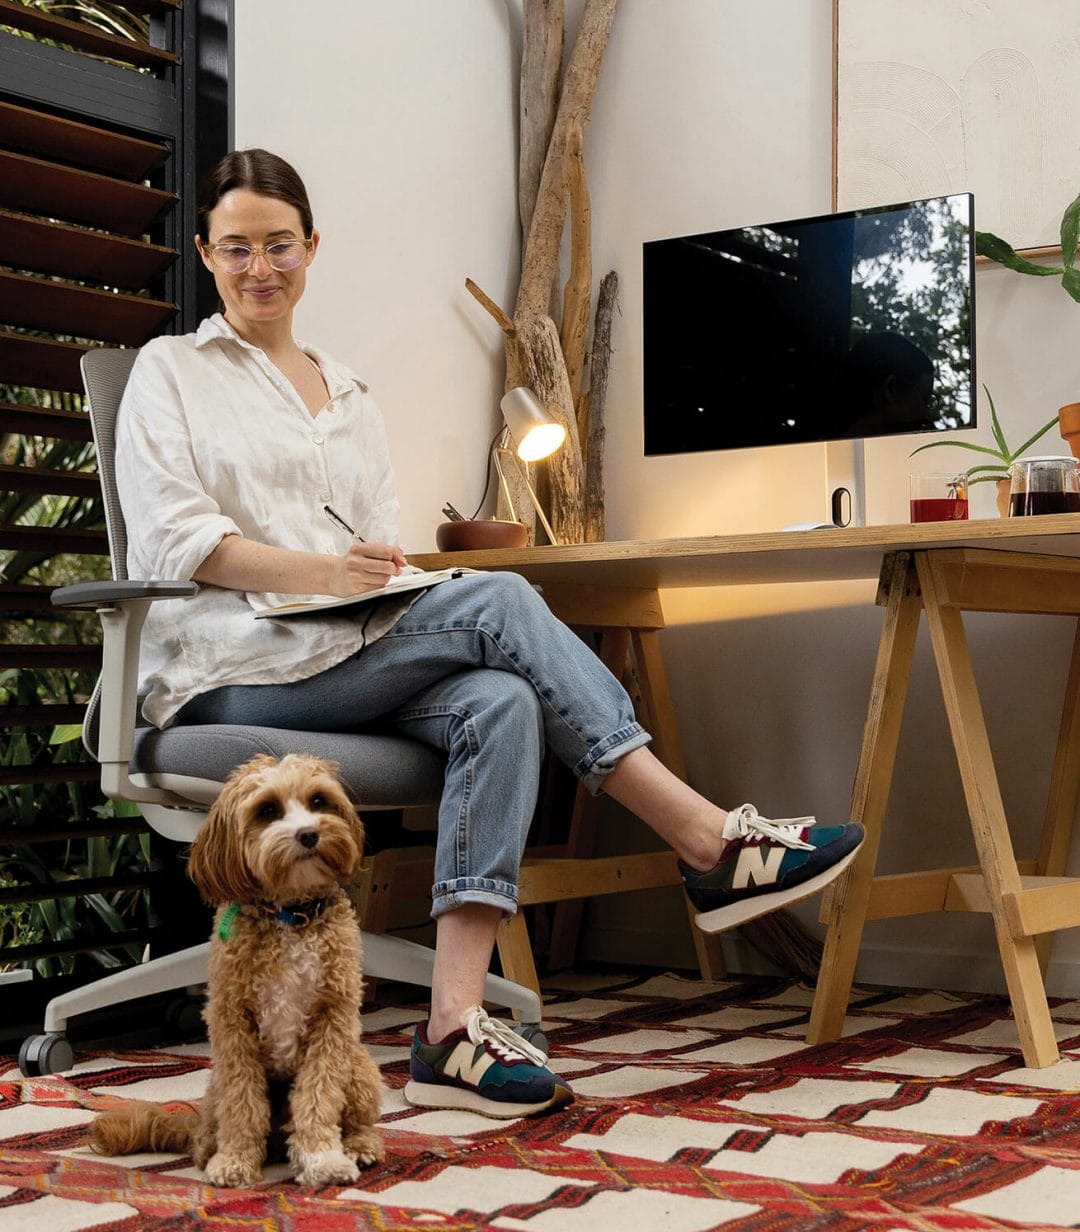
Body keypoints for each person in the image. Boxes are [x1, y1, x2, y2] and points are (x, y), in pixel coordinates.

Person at [115, 148, 864, 1120]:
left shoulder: (347, 394)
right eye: (237, 248)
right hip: (232, 672)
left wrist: (376, 575)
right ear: (207, 255)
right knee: (505, 601)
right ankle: (704, 837)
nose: (261, 267)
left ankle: (450, 1029)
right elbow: (177, 540)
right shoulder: (172, 371)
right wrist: (325, 575)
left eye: (279, 245)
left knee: (501, 698)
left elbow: (369, 548)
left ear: (312, 247)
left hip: (343, 647)